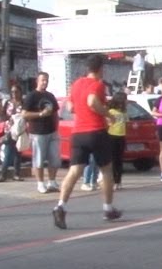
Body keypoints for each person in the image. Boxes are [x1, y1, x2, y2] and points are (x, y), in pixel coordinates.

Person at [51, 54, 123, 229]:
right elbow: (92, 101)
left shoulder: (76, 84)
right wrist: (107, 115)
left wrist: (81, 112)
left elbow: (70, 107)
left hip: (78, 133)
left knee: (74, 171)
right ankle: (107, 208)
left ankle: (61, 205)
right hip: (96, 131)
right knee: (106, 169)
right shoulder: (97, 85)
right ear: (101, 69)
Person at [23, 72, 61, 194]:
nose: (45, 82)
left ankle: (52, 181)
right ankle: (40, 183)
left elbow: (55, 112)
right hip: (38, 132)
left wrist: (56, 126)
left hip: (52, 131)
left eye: (46, 80)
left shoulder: (50, 96)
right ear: (37, 81)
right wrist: (40, 114)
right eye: (42, 80)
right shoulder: (31, 96)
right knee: (38, 159)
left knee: (54, 158)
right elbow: (24, 114)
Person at [0, 89, 25, 183]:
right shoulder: (8, 103)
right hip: (9, 130)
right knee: (8, 152)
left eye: (16, 91)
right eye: (12, 92)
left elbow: (26, 115)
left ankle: (17, 174)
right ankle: (3, 174)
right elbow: (2, 114)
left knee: (18, 152)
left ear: (20, 92)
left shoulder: (23, 103)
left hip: (20, 130)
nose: (14, 94)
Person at [106, 91, 128, 189]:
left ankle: (118, 181)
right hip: (112, 136)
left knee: (119, 160)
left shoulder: (124, 112)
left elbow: (126, 123)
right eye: (125, 99)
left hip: (121, 136)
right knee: (112, 160)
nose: (126, 101)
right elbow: (107, 124)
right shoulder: (110, 112)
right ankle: (111, 180)